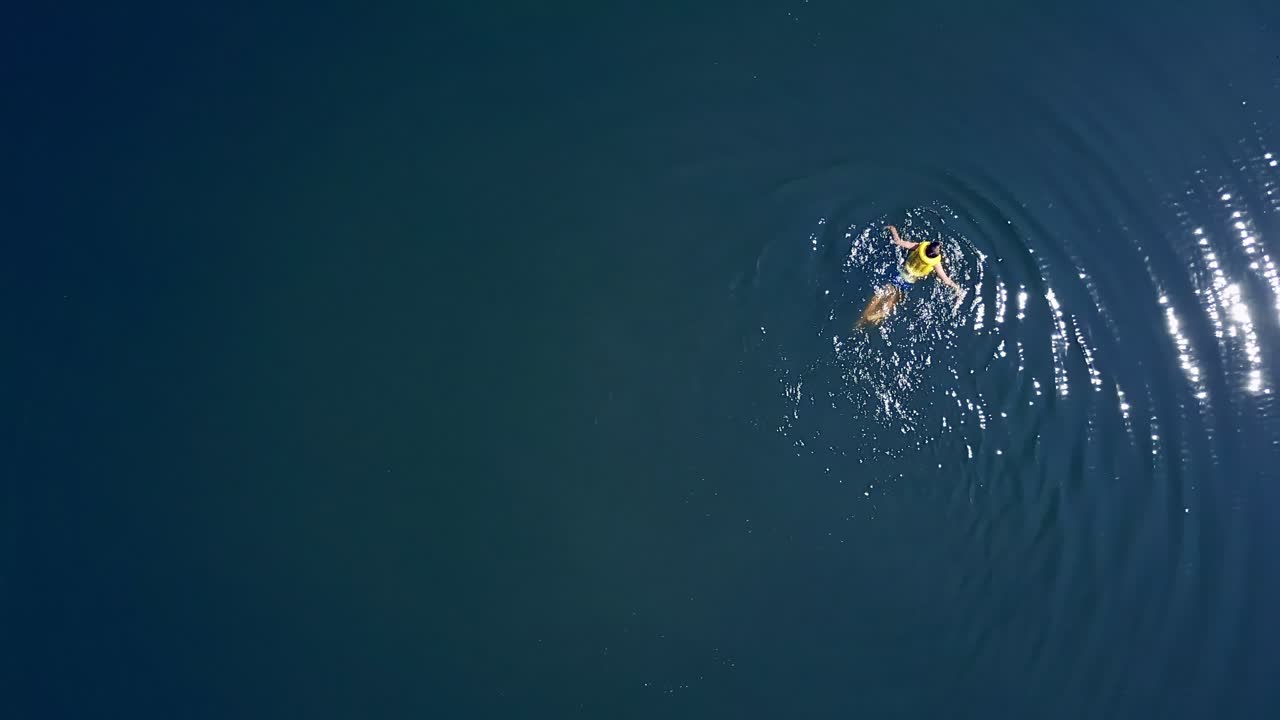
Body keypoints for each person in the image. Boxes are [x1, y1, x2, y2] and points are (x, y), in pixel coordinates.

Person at [857, 225, 966, 327]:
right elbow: (946, 280)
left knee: (880, 294)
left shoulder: (919, 247)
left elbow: (898, 241)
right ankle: (880, 314)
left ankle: (864, 316)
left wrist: (892, 228)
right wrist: (957, 288)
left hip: (900, 273)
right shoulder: (935, 263)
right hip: (909, 281)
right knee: (892, 300)